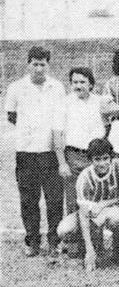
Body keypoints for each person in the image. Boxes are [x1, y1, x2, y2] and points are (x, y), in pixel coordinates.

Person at [4, 46, 67, 257]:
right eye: (35, 64)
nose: (39, 69)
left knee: (54, 199)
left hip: (50, 151)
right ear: (28, 64)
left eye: (42, 64)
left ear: (48, 65)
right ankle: (32, 241)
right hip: (26, 151)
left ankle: (54, 241)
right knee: (29, 200)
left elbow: (61, 117)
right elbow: (11, 115)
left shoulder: (57, 87)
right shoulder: (16, 87)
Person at [57, 138, 119, 272]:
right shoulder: (84, 178)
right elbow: (83, 215)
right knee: (63, 229)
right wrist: (89, 250)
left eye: (105, 158)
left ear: (111, 157)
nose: (102, 163)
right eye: (97, 159)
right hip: (92, 213)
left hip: (113, 209)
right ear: (90, 160)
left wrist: (104, 204)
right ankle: (91, 248)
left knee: (115, 217)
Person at [61, 67, 107, 218]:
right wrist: (63, 162)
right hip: (74, 156)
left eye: (82, 82)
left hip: (95, 157)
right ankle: (74, 232)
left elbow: (107, 126)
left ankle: (95, 233)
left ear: (91, 84)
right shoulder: (65, 102)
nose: (78, 86)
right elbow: (58, 132)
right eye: (75, 82)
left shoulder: (100, 102)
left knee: (95, 197)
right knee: (73, 199)